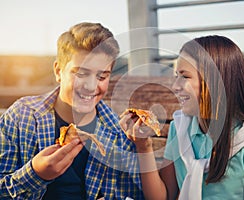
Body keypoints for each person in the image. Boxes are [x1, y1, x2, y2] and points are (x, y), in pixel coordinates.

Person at [120, 35, 244, 199]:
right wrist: (144, 147)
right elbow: (165, 197)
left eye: (185, 76)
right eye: (176, 76)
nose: (175, 86)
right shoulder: (180, 128)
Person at [0, 22, 144, 199]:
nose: (91, 86)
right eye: (81, 73)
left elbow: (131, 195)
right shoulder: (20, 117)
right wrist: (35, 174)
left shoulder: (120, 134)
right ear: (59, 71)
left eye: (102, 76)